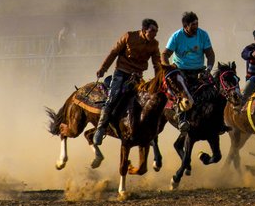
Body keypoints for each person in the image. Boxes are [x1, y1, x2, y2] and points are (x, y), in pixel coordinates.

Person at [93, 18, 162, 146]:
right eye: (152, 31)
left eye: (156, 31)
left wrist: (159, 80)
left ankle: (146, 132)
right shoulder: (129, 36)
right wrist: (103, 68)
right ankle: (100, 128)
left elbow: (157, 64)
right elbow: (114, 52)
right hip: (121, 73)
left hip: (137, 77)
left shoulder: (154, 44)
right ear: (144, 30)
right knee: (113, 98)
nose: (154, 34)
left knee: (144, 100)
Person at [162, 11, 216, 131]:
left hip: (200, 70)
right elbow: (165, 54)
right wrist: (168, 67)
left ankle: (219, 120)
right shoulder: (176, 36)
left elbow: (210, 54)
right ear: (185, 26)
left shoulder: (203, 35)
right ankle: (182, 119)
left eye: (197, 23)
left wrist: (208, 69)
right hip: (181, 71)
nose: (196, 27)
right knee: (183, 94)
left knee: (215, 89)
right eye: (193, 25)